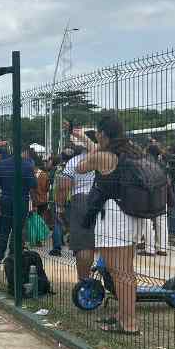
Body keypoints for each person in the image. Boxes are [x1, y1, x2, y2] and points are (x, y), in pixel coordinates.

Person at [80, 115, 152, 335]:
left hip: (113, 221)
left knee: (120, 273)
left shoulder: (102, 157)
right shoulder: (132, 152)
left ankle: (129, 323)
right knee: (125, 272)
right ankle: (123, 315)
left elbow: (80, 168)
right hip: (131, 217)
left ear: (103, 134)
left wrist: (91, 147)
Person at [55, 142, 95, 281]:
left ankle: (84, 282)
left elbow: (63, 186)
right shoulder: (106, 158)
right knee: (109, 245)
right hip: (106, 201)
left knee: (84, 245)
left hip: (81, 200)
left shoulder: (74, 161)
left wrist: (59, 207)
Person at [0, 148, 37, 264]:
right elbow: (33, 186)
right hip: (22, 200)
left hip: (6, 199)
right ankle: (13, 255)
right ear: (23, 152)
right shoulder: (28, 166)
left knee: (4, 228)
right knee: (18, 229)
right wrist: (34, 203)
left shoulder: (2, 164)